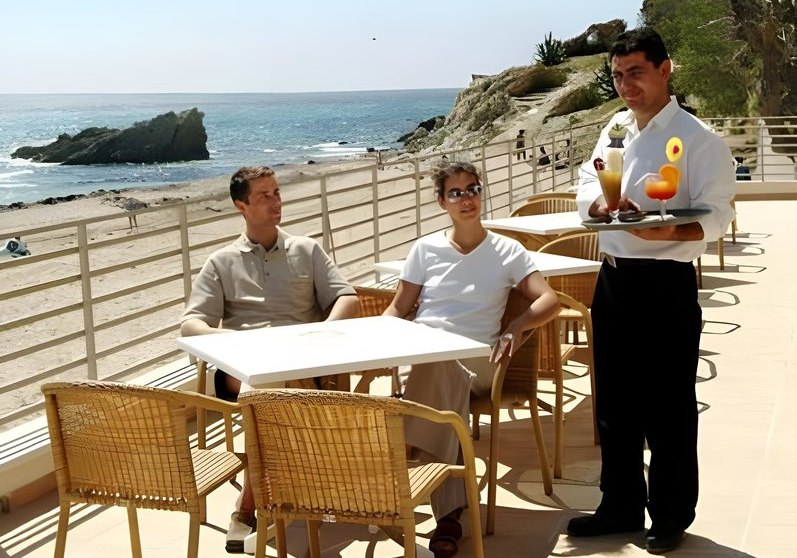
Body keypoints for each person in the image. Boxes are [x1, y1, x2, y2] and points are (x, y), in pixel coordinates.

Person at [571, 28, 735, 554]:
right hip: (613, 278)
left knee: (668, 406)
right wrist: (598, 205)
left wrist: (665, 233)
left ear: (665, 70)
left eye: (636, 73)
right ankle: (619, 505)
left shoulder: (699, 139)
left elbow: (716, 216)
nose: (626, 86)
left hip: (665, 285)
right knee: (614, 404)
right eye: (619, 76)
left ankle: (670, 514)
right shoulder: (615, 127)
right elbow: (588, 179)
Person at [180, 165, 359, 553]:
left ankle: (249, 506)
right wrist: (238, 340)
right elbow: (191, 325)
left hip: (303, 363)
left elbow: (347, 298)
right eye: (264, 195)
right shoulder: (222, 261)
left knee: (270, 390)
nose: (276, 201)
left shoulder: (307, 250)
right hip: (245, 367)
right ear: (241, 206)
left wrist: (323, 333)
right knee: (265, 385)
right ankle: (281, 496)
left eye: (276, 192)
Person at [384, 161, 558, 558]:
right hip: (426, 358)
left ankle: (408, 464)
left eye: (473, 189)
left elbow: (548, 299)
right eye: (456, 193)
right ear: (441, 202)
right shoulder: (424, 249)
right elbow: (398, 308)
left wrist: (516, 325)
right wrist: (376, 342)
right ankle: (449, 514)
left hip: (480, 364)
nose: (467, 199)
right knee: (437, 371)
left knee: (438, 369)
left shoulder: (507, 250)